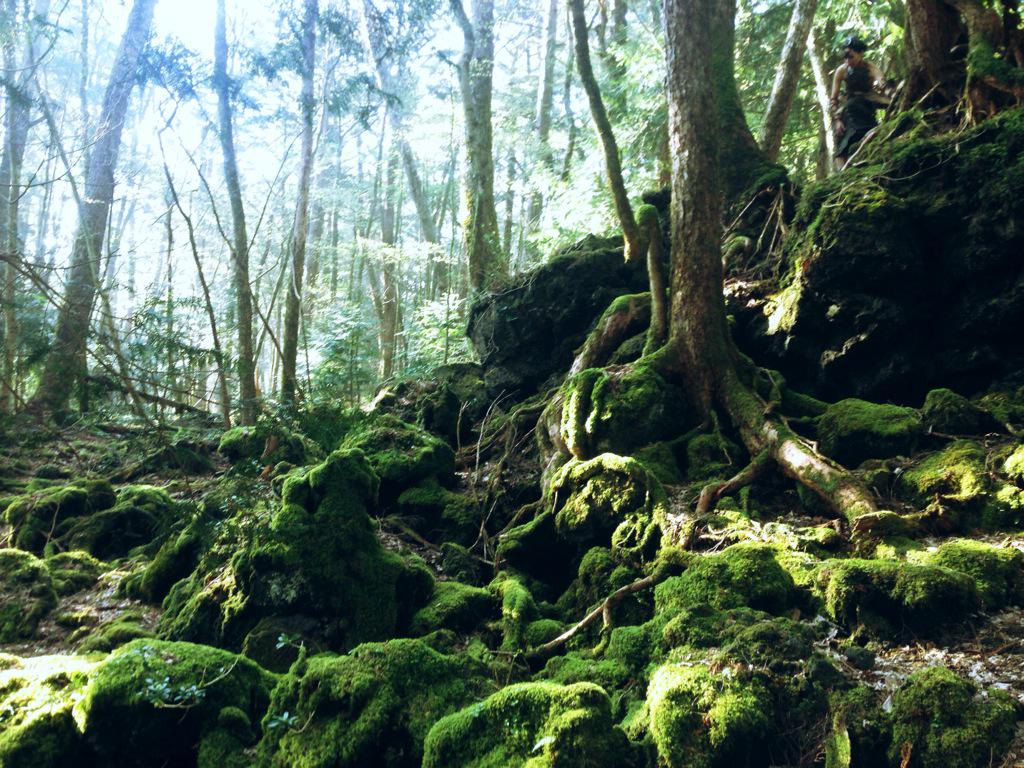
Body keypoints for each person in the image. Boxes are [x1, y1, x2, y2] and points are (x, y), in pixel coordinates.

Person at [830, 36, 887, 168]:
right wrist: (837, 120)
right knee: (840, 135)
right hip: (848, 104)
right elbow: (834, 99)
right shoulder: (841, 70)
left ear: (860, 53)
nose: (848, 60)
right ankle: (842, 172)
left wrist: (882, 85)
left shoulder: (869, 67)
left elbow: (881, 79)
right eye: (845, 57)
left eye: (851, 56)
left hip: (867, 100)